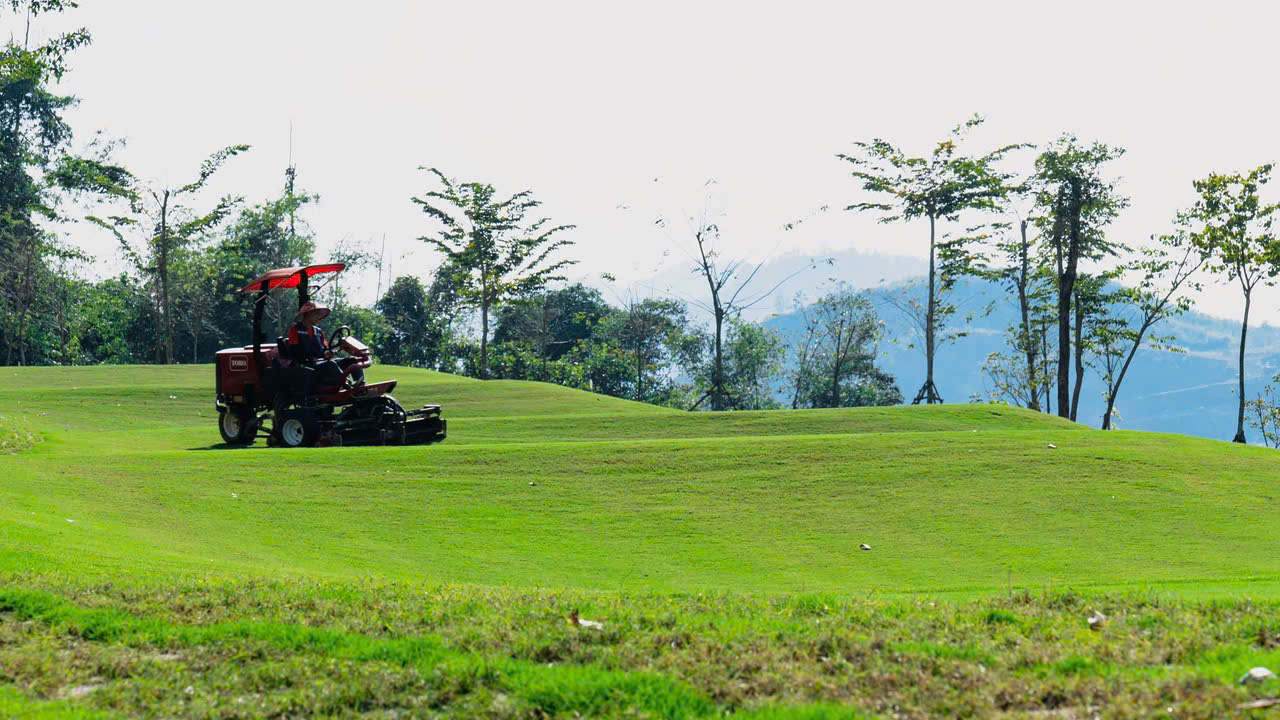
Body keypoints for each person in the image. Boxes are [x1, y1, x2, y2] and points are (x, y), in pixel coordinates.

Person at [287, 301, 364, 391]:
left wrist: (331, 353)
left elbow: (325, 351)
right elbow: (294, 352)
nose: (319, 318)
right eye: (317, 314)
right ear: (309, 314)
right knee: (330, 364)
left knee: (351, 360)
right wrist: (312, 358)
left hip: (322, 363)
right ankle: (346, 384)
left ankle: (360, 384)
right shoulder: (295, 330)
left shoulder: (319, 332)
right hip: (306, 365)